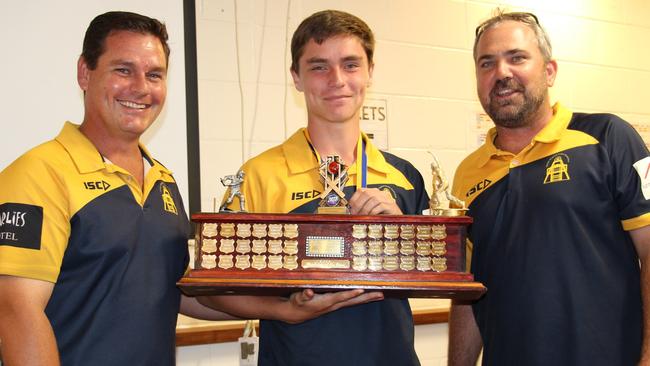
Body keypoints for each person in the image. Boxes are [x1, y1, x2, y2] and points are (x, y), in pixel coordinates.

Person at [0, 11, 232, 366]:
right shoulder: (37, 174)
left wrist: (282, 306)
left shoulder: (163, 181)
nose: (141, 87)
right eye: (123, 70)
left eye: (154, 74)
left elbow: (178, 292)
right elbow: (16, 309)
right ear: (85, 72)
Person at [199, 9, 429, 366]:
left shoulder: (404, 176)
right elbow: (211, 291)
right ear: (297, 77)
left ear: (370, 71)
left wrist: (404, 230)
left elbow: (435, 274)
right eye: (319, 66)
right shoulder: (259, 175)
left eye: (351, 64)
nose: (337, 79)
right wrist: (285, 309)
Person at [447, 10, 650, 366]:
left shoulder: (609, 138)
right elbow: (469, 291)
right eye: (486, 63)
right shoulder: (467, 175)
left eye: (517, 58)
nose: (501, 73)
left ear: (549, 71)